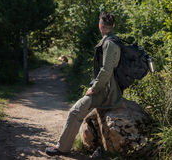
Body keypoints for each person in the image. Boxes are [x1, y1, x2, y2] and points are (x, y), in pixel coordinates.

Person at [45, 12, 123, 157]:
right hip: (110, 88)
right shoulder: (115, 40)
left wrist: (93, 89)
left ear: (100, 25)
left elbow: (106, 71)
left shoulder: (109, 43)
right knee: (79, 111)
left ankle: (62, 148)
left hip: (106, 91)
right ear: (113, 26)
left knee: (74, 112)